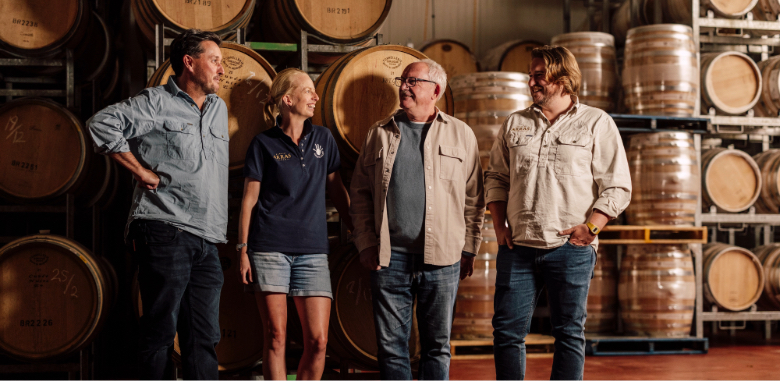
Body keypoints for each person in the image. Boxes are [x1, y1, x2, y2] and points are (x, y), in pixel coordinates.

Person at [485, 45, 632, 380]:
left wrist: (591, 229)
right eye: (531, 74)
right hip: (518, 247)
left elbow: (617, 185)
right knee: (506, 334)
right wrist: (499, 226)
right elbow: (496, 176)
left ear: (564, 79)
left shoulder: (596, 122)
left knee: (568, 334)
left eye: (540, 75)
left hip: (571, 248)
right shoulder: (515, 123)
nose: (531, 81)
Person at [88, 29, 227, 379]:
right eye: (215, 60)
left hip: (207, 236)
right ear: (189, 62)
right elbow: (101, 124)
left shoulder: (218, 108)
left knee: (205, 338)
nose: (222, 69)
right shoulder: (156, 101)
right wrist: (138, 169)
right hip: (165, 228)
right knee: (160, 332)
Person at [349, 59, 485, 380]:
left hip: (443, 260)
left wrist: (470, 248)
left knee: (437, 347)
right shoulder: (379, 133)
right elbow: (360, 195)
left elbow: (474, 198)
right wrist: (367, 243)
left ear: (435, 90)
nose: (403, 86)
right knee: (392, 347)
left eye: (412, 81)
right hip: (390, 257)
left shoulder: (461, 134)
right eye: (402, 80)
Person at [237, 68, 352, 381]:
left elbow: (337, 189)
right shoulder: (263, 144)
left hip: (313, 252)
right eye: (308, 90)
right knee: (276, 337)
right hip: (269, 248)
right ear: (287, 100)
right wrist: (243, 249)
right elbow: (249, 200)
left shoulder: (324, 139)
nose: (316, 97)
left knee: (318, 341)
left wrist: (357, 225)